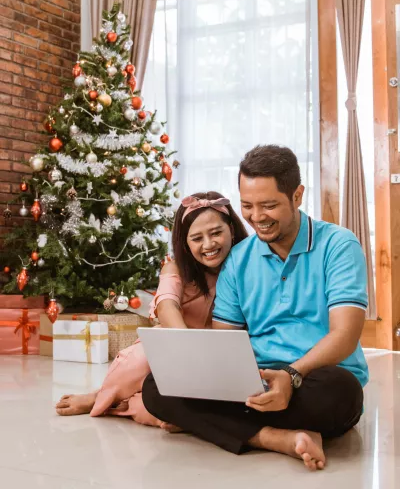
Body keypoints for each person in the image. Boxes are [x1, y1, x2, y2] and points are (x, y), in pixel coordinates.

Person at [142, 145, 369, 471]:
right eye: (247, 206)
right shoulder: (239, 258)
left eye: (269, 205)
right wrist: (226, 378)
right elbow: (225, 342)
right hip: (256, 380)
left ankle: (214, 424)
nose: (257, 217)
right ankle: (276, 438)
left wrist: (291, 376)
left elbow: (345, 335)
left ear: (297, 195)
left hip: (315, 378)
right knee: (156, 389)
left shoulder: (338, 245)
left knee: (342, 393)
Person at [55, 191, 247, 426]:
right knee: (144, 355)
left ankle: (126, 404)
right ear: (185, 244)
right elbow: (167, 305)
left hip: (222, 357)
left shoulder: (246, 266)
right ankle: (103, 395)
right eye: (197, 238)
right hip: (178, 347)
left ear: (232, 230)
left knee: (159, 411)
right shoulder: (176, 269)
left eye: (216, 233)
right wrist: (191, 348)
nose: (209, 245)